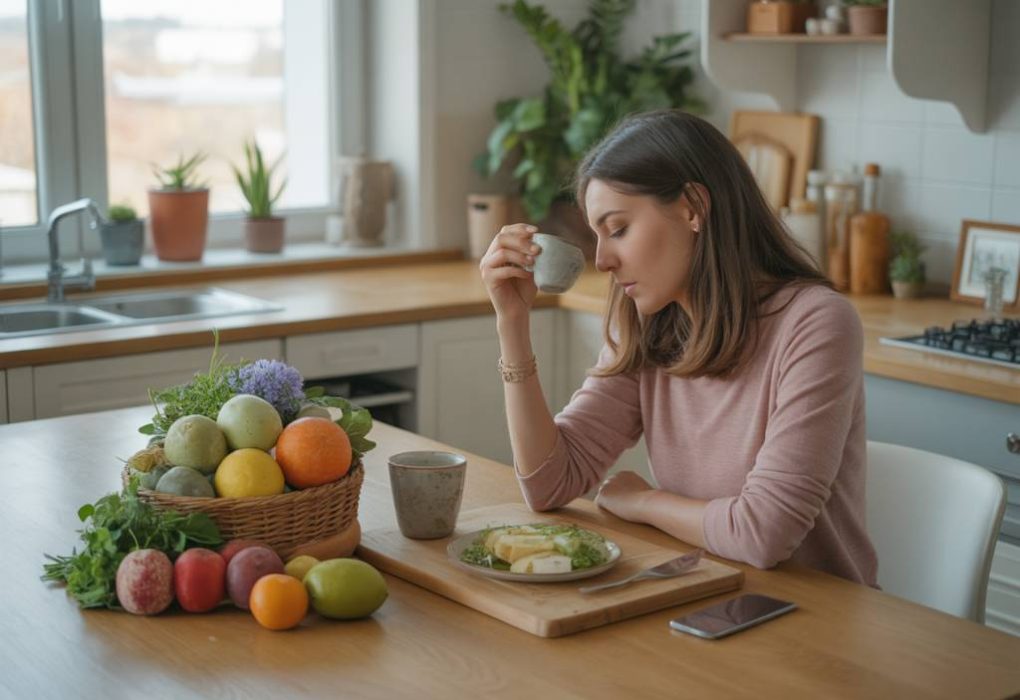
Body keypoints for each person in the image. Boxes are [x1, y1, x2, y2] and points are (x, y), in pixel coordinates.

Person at [478, 110, 878, 586]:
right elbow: (548, 483)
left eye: (619, 228)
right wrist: (513, 322)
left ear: (692, 207)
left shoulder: (814, 324)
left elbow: (764, 534)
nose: (602, 260)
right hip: (701, 590)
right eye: (598, 234)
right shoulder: (649, 326)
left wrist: (644, 502)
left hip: (813, 618)